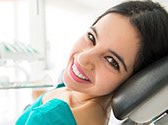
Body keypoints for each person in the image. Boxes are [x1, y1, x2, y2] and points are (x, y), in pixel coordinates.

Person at [15, 0, 168, 125]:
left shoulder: (49, 118)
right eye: (91, 37)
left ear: (135, 82)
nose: (83, 58)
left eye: (111, 61)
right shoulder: (80, 96)